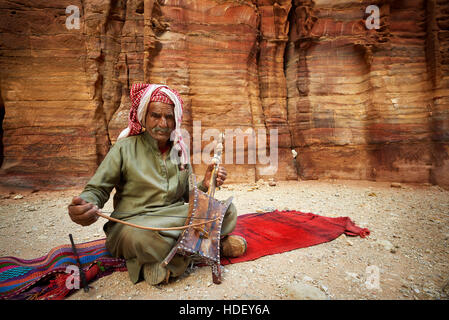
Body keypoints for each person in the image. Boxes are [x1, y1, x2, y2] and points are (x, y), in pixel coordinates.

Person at [67, 83, 246, 285]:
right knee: (142, 239)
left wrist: (205, 183)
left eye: (169, 117)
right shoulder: (124, 148)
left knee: (226, 211)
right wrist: (85, 205)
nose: (163, 123)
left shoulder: (179, 150)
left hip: (172, 217)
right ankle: (206, 248)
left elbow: (189, 196)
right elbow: (96, 190)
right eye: (156, 116)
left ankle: (164, 261)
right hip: (135, 224)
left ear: (175, 120)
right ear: (144, 117)